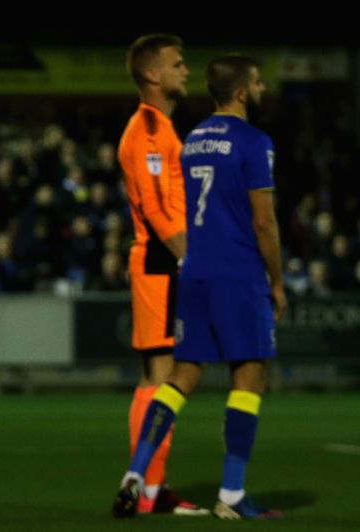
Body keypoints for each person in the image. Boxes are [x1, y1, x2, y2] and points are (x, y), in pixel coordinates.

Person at [113, 54, 286, 520]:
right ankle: (231, 493)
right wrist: (278, 280)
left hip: (194, 271)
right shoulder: (254, 141)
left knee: (181, 377)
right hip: (237, 269)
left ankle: (136, 473)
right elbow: (264, 222)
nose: (264, 89)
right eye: (259, 82)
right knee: (249, 375)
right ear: (244, 91)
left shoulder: (191, 141)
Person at [115, 34, 205, 515]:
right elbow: (155, 208)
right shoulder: (147, 129)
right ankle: (150, 489)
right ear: (152, 74)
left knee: (158, 375)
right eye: (178, 62)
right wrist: (193, 260)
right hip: (160, 262)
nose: (185, 71)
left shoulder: (161, 128)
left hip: (161, 262)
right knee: (162, 375)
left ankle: (150, 486)